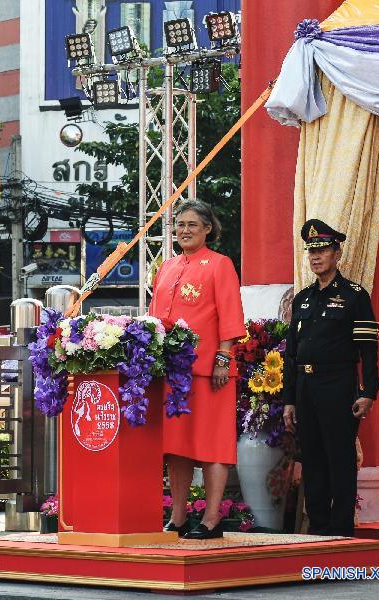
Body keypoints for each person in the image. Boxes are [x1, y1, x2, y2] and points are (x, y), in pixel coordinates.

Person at [149, 199, 245, 540]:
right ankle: (178, 518)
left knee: (212, 446)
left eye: (192, 224)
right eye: (180, 224)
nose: (184, 230)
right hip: (173, 373)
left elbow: (230, 314)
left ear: (208, 229)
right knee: (176, 447)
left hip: (209, 372)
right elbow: (154, 320)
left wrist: (223, 358)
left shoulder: (220, 265)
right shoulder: (167, 267)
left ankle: (212, 518)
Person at [282, 219, 379, 537]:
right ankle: (319, 527)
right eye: (311, 251)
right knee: (312, 457)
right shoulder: (303, 299)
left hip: (337, 385)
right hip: (305, 387)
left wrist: (367, 392)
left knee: (339, 456)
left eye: (322, 250)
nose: (316, 257)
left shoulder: (354, 296)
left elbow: (368, 350)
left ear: (337, 253)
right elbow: (291, 355)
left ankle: (341, 529)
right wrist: (289, 400)